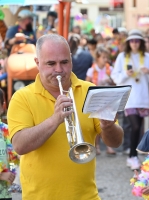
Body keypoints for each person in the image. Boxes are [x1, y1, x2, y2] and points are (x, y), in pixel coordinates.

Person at [7, 34, 124, 200]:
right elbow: (19, 145)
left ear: (71, 60)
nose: (59, 70)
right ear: (37, 63)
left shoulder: (90, 90)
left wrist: (109, 127)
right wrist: (55, 120)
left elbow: (116, 142)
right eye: (51, 63)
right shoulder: (22, 97)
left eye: (64, 62)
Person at [111, 29, 149, 170]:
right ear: (128, 43)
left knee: (138, 128)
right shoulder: (122, 56)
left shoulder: (148, 58)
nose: (134, 44)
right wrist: (126, 74)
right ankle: (132, 155)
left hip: (143, 97)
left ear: (141, 42)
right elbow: (115, 76)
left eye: (137, 41)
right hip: (130, 97)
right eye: (132, 41)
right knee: (135, 126)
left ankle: (134, 155)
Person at [85, 46, 116, 156]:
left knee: (108, 122)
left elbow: (115, 83)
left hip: (107, 99)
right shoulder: (92, 70)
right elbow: (86, 85)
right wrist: (98, 83)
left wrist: (110, 81)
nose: (105, 59)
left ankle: (109, 146)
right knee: (96, 123)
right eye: (103, 57)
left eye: (106, 57)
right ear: (97, 58)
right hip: (96, 99)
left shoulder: (110, 69)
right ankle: (97, 146)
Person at [0, 88, 20, 200]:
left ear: (2, 107)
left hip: (4, 194)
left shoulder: (7, 131)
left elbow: (15, 156)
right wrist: (1, 175)